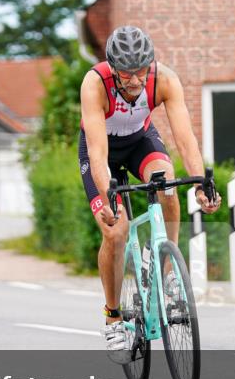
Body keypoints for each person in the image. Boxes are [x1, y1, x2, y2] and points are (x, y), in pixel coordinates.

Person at [79, 25, 220, 361]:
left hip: (140, 142)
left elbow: (185, 139)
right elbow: (98, 155)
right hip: (102, 151)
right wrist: (107, 196)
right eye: (127, 72)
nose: (135, 79)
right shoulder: (94, 84)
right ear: (113, 68)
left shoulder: (164, 80)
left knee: (167, 183)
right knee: (116, 231)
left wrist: (200, 181)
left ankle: (167, 268)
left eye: (141, 69)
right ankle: (113, 316)